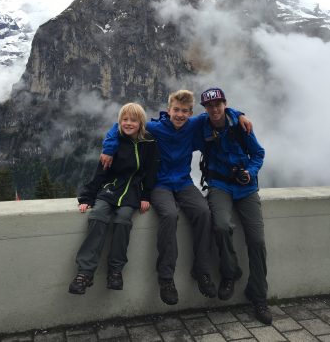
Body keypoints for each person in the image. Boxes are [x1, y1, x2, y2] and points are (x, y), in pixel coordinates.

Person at [101, 90, 252, 305]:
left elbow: (219, 113)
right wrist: (108, 149)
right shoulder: (154, 128)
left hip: (183, 182)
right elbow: (121, 127)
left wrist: (241, 115)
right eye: (176, 110)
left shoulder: (194, 124)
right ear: (168, 110)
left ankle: (202, 270)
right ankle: (166, 278)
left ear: (190, 113)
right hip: (159, 184)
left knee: (203, 212)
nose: (180, 115)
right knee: (170, 215)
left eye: (184, 111)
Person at [198, 87, 272, 325]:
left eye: (218, 104)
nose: (215, 109)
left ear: (225, 104)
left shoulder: (240, 125)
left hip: (246, 188)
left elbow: (258, 153)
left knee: (257, 241)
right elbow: (173, 122)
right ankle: (229, 273)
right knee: (220, 225)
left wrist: (249, 173)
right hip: (219, 184)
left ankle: (258, 295)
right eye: (210, 106)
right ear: (205, 109)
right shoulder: (202, 124)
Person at [68, 102, 159, 295]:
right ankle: (85, 272)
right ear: (119, 121)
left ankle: (115, 270)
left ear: (140, 122)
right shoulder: (114, 142)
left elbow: (151, 171)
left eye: (133, 120)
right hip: (110, 189)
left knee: (123, 219)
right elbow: (101, 172)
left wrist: (145, 195)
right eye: (124, 119)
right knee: (98, 214)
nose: (128, 123)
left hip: (133, 192)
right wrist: (87, 197)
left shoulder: (149, 142)